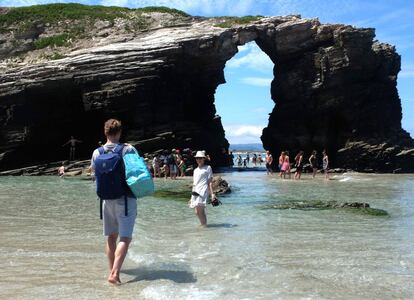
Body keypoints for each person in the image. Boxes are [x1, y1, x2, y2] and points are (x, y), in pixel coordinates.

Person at [90, 119, 138, 285]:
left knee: (111, 237)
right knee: (125, 238)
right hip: (125, 199)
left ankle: (112, 269)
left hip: (105, 200)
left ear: (105, 133)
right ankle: (115, 274)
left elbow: (94, 176)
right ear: (119, 132)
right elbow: (137, 174)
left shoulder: (97, 152)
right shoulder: (128, 149)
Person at [188, 150, 215, 227]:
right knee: (197, 212)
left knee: (200, 210)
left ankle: (204, 226)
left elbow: (210, 182)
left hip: (203, 190)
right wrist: (191, 197)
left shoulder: (208, 168)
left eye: (200, 158)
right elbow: (194, 184)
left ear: (204, 159)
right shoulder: (195, 170)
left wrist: (212, 194)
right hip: (195, 191)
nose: (198, 160)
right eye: (197, 158)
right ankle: (204, 225)